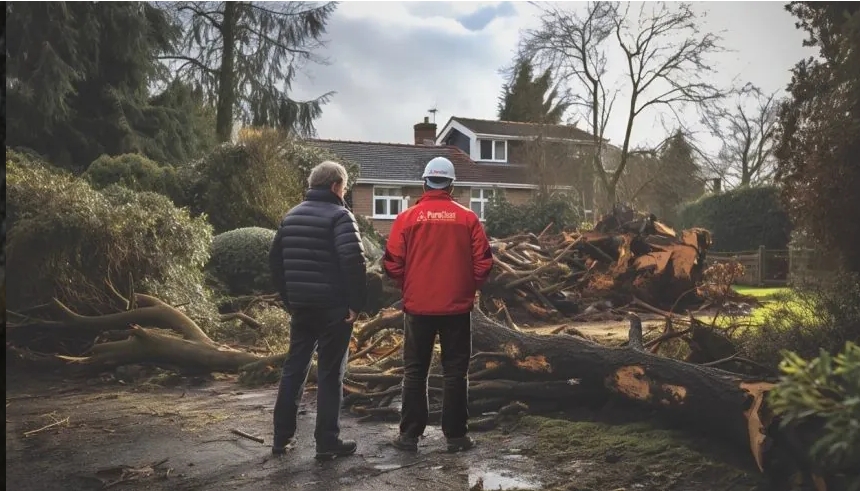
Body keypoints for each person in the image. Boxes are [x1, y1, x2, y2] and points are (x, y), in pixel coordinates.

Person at [382, 156, 494, 453]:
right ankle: (456, 437)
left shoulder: (407, 218)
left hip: (418, 307)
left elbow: (392, 262)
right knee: (456, 372)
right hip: (457, 309)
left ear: (425, 182)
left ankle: (409, 437)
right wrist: (467, 287)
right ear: (452, 184)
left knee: (415, 372)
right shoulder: (468, 218)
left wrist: (408, 285)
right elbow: (484, 262)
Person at [268, 160, 367, 460]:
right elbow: (353, 261)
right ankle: (327, 443)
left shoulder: (290, 216)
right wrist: (355, 306)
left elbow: (275, 263)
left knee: (294, 370)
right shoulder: (340, 216)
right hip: (334, 310)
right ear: (336, 186)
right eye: (345, 187)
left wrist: (290, 299)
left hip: (302, 308)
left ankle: (280, 439)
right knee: (329, 374)